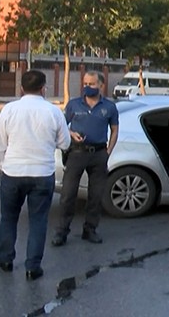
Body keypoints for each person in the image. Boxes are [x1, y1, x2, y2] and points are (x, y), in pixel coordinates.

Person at [0, 70, 71, 281]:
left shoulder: (9, 110)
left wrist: (4, 165)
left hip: (13, 173)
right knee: (38, 220)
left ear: (21, 88)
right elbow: (65, 143)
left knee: (8, 217)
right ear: (44, 88)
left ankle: (6, 258)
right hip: (42, 173)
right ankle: (33, 267)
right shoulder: (53, 112)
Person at [52, 71, 119, 246]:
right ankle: (62, 232)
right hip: (76, 153)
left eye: (91, 84)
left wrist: (108, 151)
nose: (87, 87)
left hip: (98, 154)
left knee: (96, 195)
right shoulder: (74, 105)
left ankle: (90, 230)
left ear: (101, 86)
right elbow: (61, 126)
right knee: (68, 194)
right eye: (85, 83)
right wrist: (71, 133)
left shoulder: (109, 107)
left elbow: (114, 130)